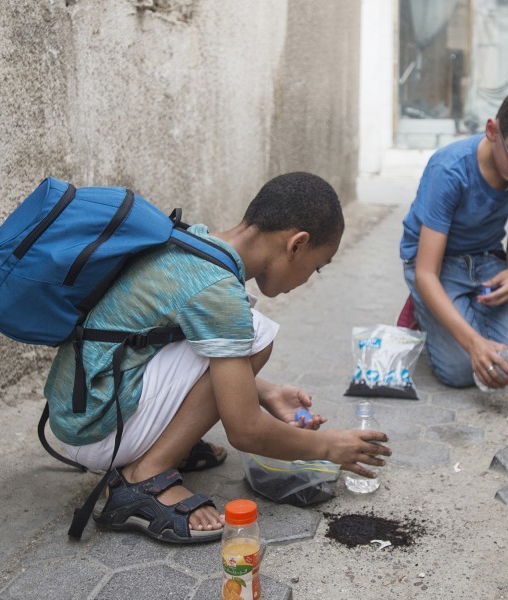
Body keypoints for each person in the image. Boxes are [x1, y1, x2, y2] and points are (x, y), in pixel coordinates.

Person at [44, 172, 390, 543]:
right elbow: (245, 431)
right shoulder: (218, 291)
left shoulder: (196, 241)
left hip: (78, 406)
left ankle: (168, 442)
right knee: (255, 333)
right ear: (297, 245)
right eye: (317, 266)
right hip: (96, 430)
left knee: (235, 333)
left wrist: (265, 391)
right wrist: (328, 447)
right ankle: (144, 475)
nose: (311, 277)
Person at [399, 82, 508, 390]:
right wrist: (473, 344)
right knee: (461, 371)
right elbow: (426, 272)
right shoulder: (449, 169)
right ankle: (424, 309)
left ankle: (456, 314)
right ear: (492, 130)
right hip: (436, 266)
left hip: (487, 260)